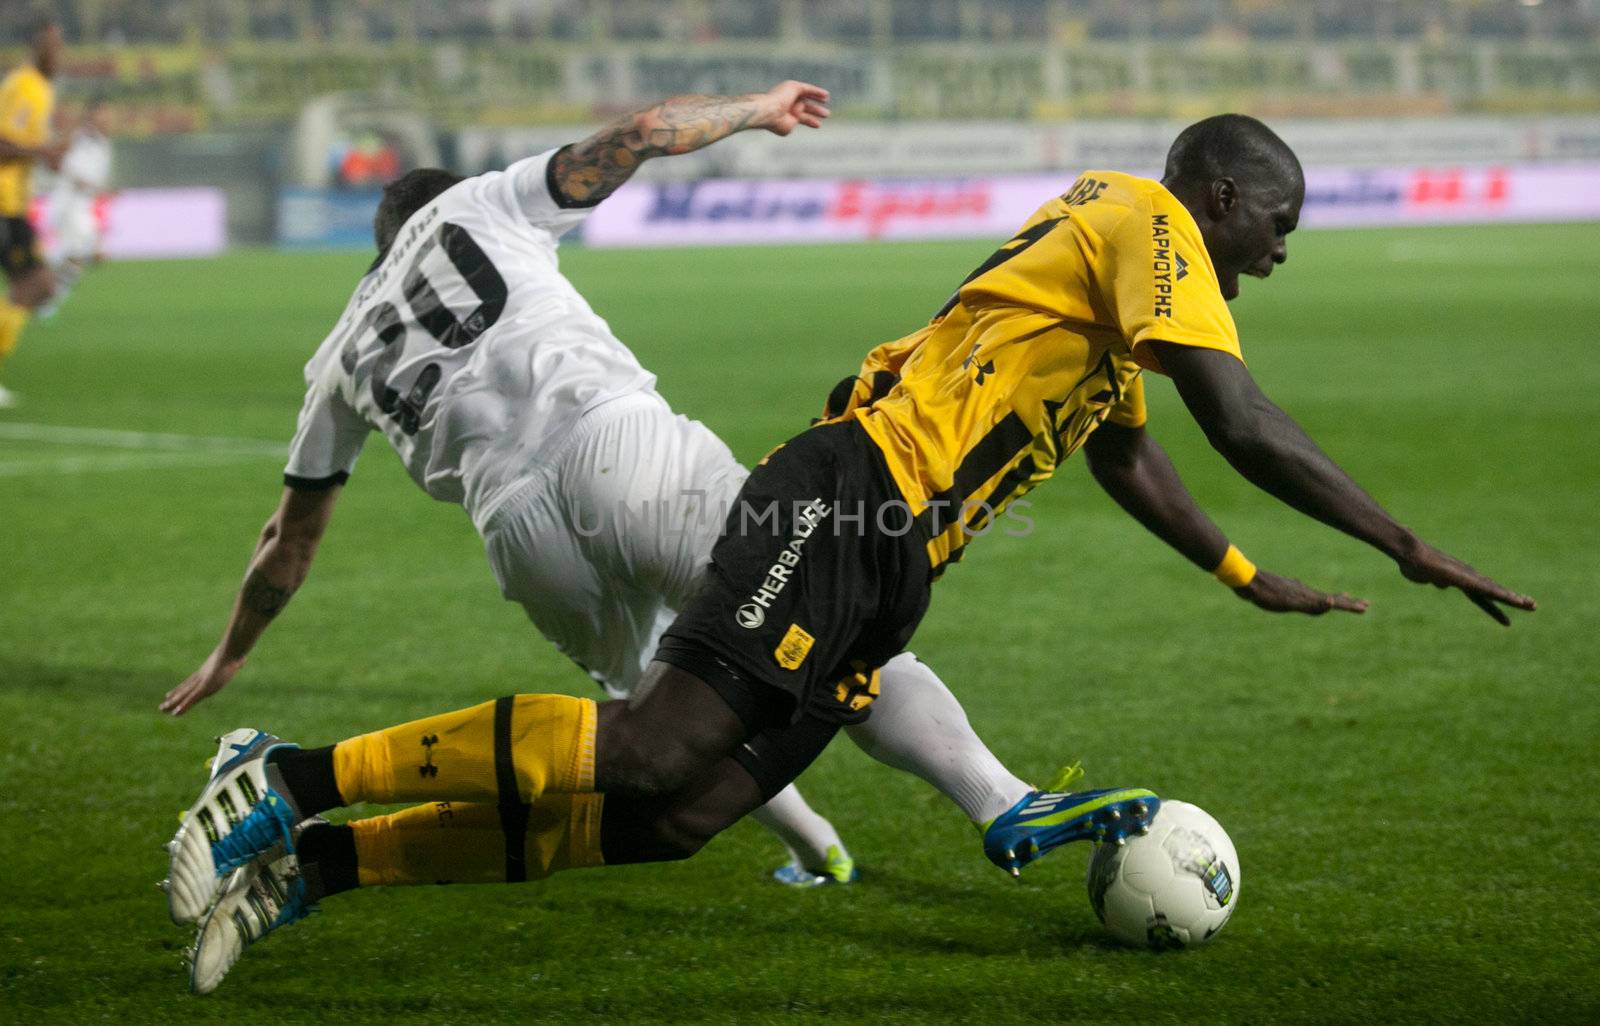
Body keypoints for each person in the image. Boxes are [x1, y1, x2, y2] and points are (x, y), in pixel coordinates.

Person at [168, 112, 1534, 993]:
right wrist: (1408, 541)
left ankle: (330, 866)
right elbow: (1235, 417)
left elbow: (1132, 457)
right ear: (1219, 195)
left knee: (673, 817)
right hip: (843, 492)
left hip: (875, 552)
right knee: (650, 743)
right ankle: (287, 777)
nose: (1280, 253)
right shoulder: (1149, 220)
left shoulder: (1111, 311)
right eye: (1277, 225)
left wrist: (1245, 574)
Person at [161, 79, 1054, 958]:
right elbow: (646, 131)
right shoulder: (475, 205)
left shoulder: (339, 356)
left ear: (378, 244)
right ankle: (998, 797)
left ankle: (813, 841)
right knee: (820, 613)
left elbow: (288, 543)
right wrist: (758, 109)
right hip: (613, 447)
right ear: (433, 210)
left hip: (520, 535)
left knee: (657, 733)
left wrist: (233, 650)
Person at [0, 16, 66, 408]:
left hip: (14, 202)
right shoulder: (24, 86)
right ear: (38, 46)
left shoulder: (40, 89)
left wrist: (47, 156)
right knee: (36, 284)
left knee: (38, 286)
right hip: (3, 203)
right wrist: (42, 152)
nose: (60, 54)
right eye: (54, 46)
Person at [37, 95, 112, 319]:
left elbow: (94, 180)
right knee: (78, 257)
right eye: (104, 111)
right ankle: (43, 299)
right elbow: (58, 164)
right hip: (68, 202)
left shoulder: (103, 143)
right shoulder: (78, 137)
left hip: (82, 204)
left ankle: (45, 299)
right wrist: (78, 180)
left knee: (78, 259)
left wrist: (98, 188)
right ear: (92, 113)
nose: (108, 117)